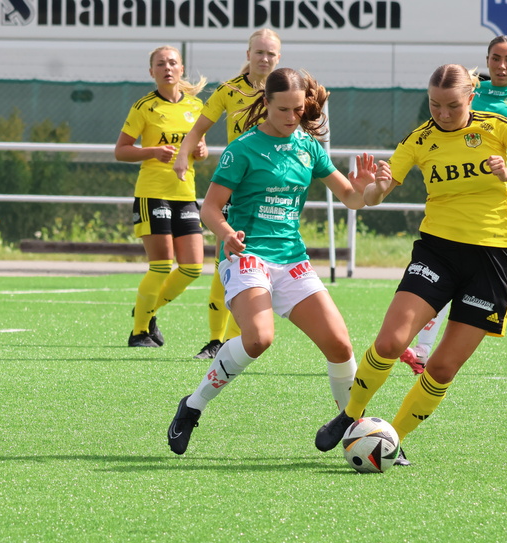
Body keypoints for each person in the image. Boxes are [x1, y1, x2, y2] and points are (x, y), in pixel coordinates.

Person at [314, 64, 507, 465]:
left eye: (451, 105)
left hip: (492, 259)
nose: (443, 114)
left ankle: (392, 438)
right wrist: (368, 189)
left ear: (469, 98)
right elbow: (377, 194)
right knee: (391, 342)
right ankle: (350, 414)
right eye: (434, 105)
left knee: (444, 368)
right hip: (437, 252)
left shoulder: (496, 127)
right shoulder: (420, 138)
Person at [167, 67, 381, 455]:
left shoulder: (309, 146)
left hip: (291, 258)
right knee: (259, 338)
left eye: (298, 109)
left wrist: (366, 189)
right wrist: (227, 233)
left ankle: (355, 427)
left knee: (340, 345)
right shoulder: (243, 148)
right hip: (247, 255)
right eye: (282, 109)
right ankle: (192, 407)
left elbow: (350, 197)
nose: (291, 117)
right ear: (265, 103)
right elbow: (210, 209)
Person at [399, 35, 507, 376]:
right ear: (486, 61)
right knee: (446, 270)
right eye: (495, 58)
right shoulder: (470, 93)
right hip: (463, 197)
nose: (501, 65)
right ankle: (423, 349)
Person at [172, 29, 282, 360]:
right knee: (227, 259)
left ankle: (241, 339)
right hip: (238, 187)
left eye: (271, 54)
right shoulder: (229, 90)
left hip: (274, 189)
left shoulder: (286, 91)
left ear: (279, 58)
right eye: (259, 51)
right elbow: (198, 129)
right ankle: (216, 340)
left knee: (264, 261)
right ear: (248, 54)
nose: (264, 58)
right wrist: (182, 155)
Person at [115, 45, 208, 348]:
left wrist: (201, 151)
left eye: (172, 63)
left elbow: (199, 147)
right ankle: (140, 331)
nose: (167, 68)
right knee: (161, 265)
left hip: (186, 193)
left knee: (193, 267)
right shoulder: (144, 107)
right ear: (151, 72)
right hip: (152, 194)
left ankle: (148, 309)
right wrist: (152, 151)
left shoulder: (196, 107)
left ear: (182, 69)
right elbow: (121, 150)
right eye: (160, 64)